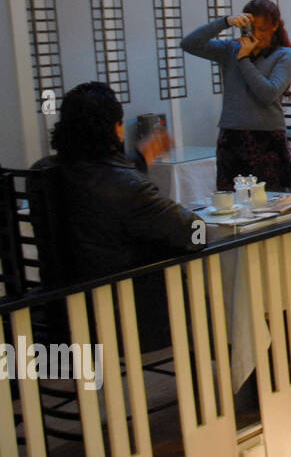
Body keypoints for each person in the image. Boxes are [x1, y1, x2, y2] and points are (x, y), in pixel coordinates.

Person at [33, 82, 201, 351]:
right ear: (114, 129)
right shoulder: (126, 186)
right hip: (128, 310)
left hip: (61, 310)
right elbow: (193, 231)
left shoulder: (42, 172)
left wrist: (137, 161)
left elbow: (98, 190)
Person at [181, 0, 291, 190]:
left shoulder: (284, 55)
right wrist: (226, 21)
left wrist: (244, 60)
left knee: (272, 200)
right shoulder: (230, 49)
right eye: (251, 29)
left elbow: (268, 93)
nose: (257, 35)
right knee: (232, 200)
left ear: (274, 26)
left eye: (262, 29)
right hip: (232, 135)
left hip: (267, 138)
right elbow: (189, 44)